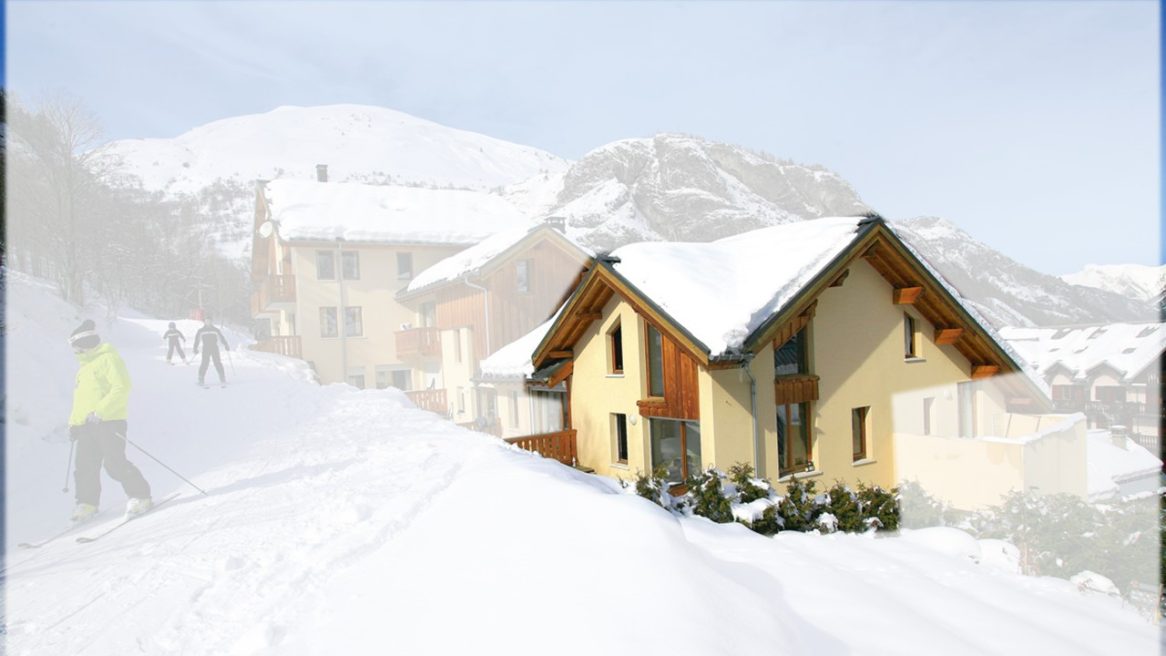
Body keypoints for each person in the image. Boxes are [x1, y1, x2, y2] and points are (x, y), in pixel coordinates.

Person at [67, 319, 153, 521]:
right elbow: (81, 401)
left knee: (114, 464)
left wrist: (101, 412)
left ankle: (141, 496)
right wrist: (74, 423)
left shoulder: (109, 359)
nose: (75, 351)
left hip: (109, 421)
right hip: (86, 426)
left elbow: (121, 387)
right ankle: (87, 504)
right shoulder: (84, 369)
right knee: (84, 466)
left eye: (77, 347)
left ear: (86, 343)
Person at [193, 317, 230, 386]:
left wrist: (226, 345)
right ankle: (201, 379)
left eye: (209, 321)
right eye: (207, 321)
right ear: (204, 322)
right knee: (204, 363)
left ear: (211, 321)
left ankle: (222, 378)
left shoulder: (215, 330)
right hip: (206, 348)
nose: (208, 322)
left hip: (214, 348)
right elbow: (197, 340)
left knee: (217, 363)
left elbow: (221, 338)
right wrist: (195, 348)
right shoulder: (201, 330)